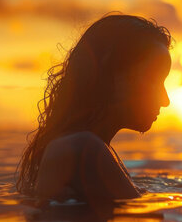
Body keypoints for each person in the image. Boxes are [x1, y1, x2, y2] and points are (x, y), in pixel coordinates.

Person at [16, 14, 172, 202]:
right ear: (112, 74)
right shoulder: (81, 148)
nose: (165, 100)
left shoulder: (87, 146)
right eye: (154, 80)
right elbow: (140, 212)